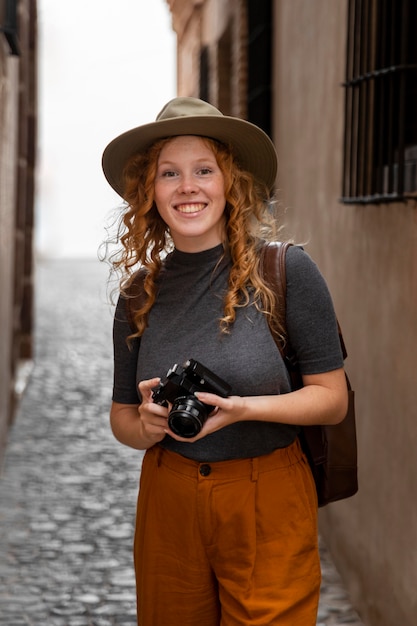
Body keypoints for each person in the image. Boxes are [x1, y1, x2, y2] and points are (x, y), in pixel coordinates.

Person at [101, 97, 348, 626]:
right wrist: (145, 426)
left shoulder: (287, 272)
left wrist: (242, 408)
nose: (187, 186)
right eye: (170, 173)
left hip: (269, 494)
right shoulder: (139, 294)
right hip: (170, 499)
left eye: (203, 170)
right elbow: (122, 417)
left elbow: (332, 399)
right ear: (151, 192)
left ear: (229, 183)